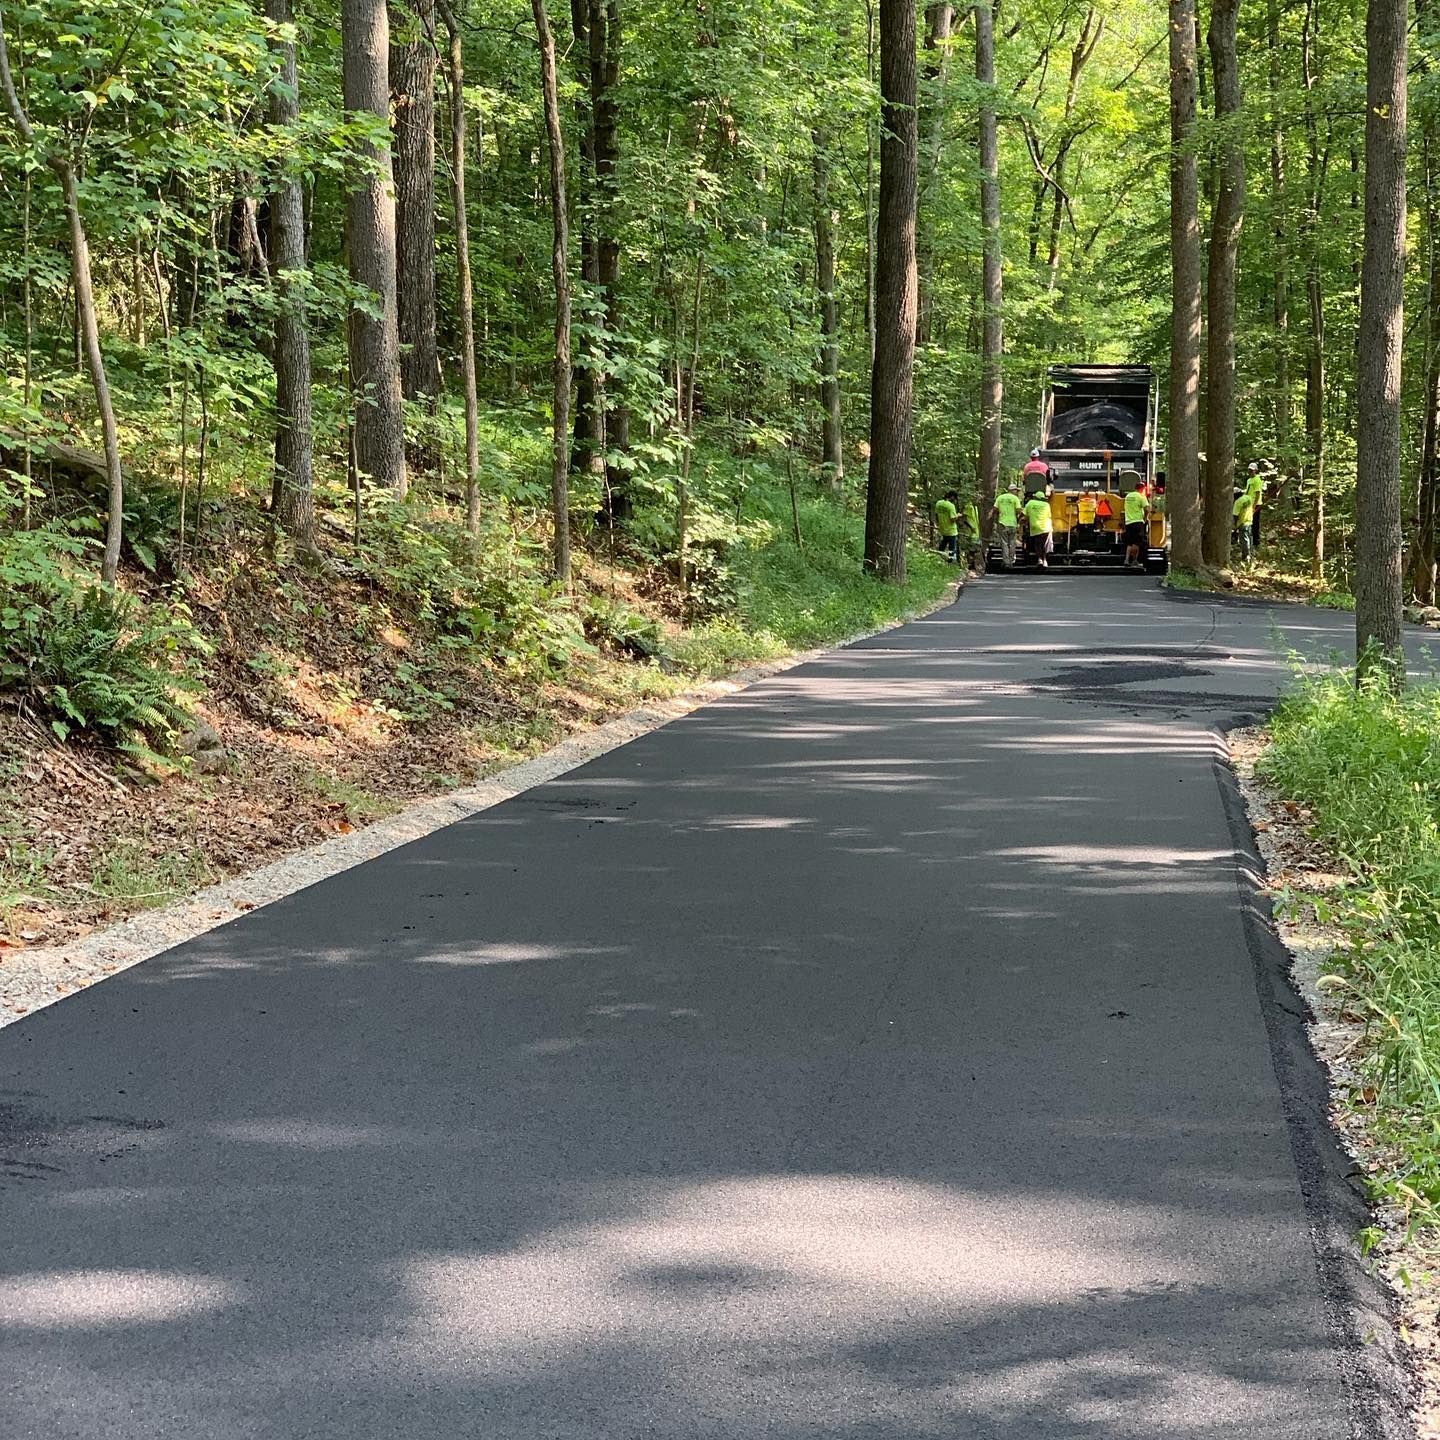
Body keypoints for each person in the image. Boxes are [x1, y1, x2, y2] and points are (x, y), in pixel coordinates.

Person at [991, 484, 1023, 568]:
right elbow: (1019, 510)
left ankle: (1006, 561)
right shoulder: (1015, 499)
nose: (1017, 492)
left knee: (1004, 543)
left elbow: (994, 509)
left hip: (1002, 523)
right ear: (1013, 490)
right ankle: (1011, 561)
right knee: (1012, 543)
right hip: (1012, 523)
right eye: (1016, 490)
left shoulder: (1000, 498)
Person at [1023, 485, 1054, 569]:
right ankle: (1045, 560)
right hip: (1046, 527)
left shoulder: (1030, 503)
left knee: (1038, 544)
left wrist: (1021, 522)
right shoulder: (1046, 505)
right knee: (1044, 545)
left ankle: (1039, 559)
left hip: (1035, 527)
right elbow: (1049, 516)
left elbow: (1024, 515)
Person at [1123, 480, 1149, 570]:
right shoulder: (1141, 496)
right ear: (1142, 489)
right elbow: (1147, 509)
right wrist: (1145, 519)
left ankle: (1126, 559)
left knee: (1129, 543)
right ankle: (1134, 560)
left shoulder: (1128, 496)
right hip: (1138, 521)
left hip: (1128, 522)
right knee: (1137, 543)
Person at [1244, 462, 1267, 550]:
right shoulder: (1249, 480)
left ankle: (1256, 543)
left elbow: (1257, 494)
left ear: (1255, 471)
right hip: (1248, 504)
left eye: (1252, 470)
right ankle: (1249, 542)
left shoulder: (1257, 480)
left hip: (1256, 504)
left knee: (1255, 524)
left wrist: (1254, 507)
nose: (1250, 472)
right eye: (1249, 470)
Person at [934, 490, 960, 562]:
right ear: (952, 497)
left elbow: (936, 514)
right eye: (954, 499)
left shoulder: (938, 503)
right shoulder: (951, 506)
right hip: (951, 530)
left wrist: (939, 523)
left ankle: (938, 558)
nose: (954, 500)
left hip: (943, 529)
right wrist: (958, 516)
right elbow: (952, 519)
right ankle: (950, 562)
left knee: (943, 544)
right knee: (952, 548)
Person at [1233, 485, 1256, 563]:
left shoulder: (1237, 502)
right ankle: (1251, 553)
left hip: (1242, 523)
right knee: (1250, 538)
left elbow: (1235, 515)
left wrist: (1235, 526)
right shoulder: (1248, 498)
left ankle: (1246, 556)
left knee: (1244, 540)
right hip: (1249, 521)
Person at [961, 496, 982, 569]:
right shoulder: (968, 506)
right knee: (971, 550)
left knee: (975, 550)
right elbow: (964, 519)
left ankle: (973, 564)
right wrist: (970, 527)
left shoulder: (975, 507)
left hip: (976, 532)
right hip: (970, 532)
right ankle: (970, 565)